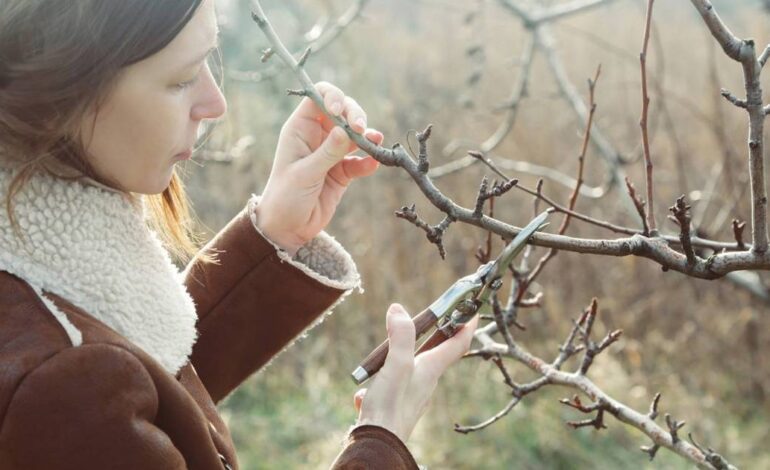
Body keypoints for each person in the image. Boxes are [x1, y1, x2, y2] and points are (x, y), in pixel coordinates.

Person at [0, 1, 479, 469]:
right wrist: (382, 437)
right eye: (182, 78)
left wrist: (276, 233)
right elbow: (97, 391)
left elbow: (146, 394)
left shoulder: (42, 290)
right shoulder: (57, 388)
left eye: (209, 61)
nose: (215, 103)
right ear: (57, 93)